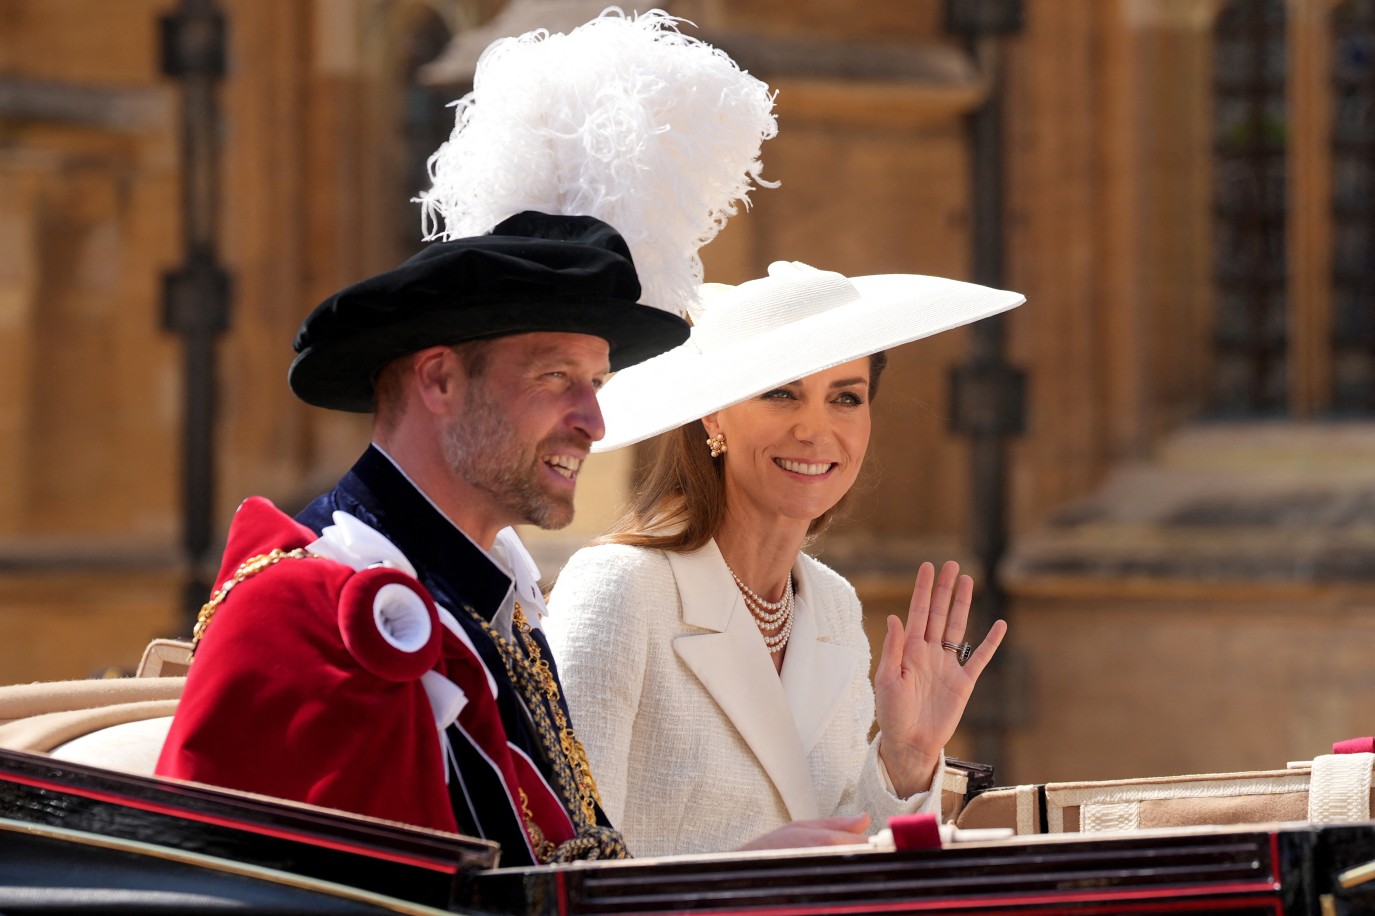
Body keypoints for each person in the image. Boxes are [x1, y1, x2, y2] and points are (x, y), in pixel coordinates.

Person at [157, 10, 780, 866]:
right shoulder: (304, 611)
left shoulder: (495, 604)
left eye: (596, 384)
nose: (593, 422)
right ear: (440, 380)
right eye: (555, 378)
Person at [545, 260, 1026, 857]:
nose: (815, 431)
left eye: (845, 397)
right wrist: (741, 874)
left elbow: (846, 856)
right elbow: (563, 862)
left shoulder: (832, 605)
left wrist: (906, 760)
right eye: (781, 393)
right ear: (713, 413)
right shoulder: (618, 588)